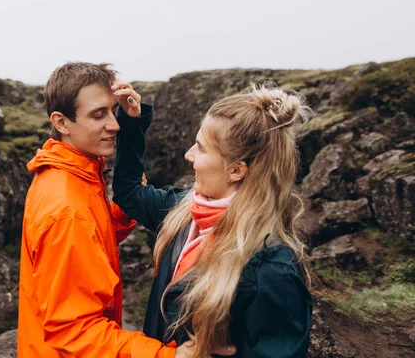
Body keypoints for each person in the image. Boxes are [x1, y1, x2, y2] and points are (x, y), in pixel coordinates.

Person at [17, 62, 236, 357]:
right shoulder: (68, 209)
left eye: (112, 111)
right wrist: (168, 355)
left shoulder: (68, 174)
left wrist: (118, 214)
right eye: (98, 115)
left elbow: (87, 245)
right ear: (61, 122)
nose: (114, 124)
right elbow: (73, 330)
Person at [112, 82, 314, 357]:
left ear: (236, 170)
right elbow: (129, 193)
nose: (189, 155)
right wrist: (132, 123)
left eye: (201, 148)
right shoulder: (183, 210)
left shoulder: (272, 268)